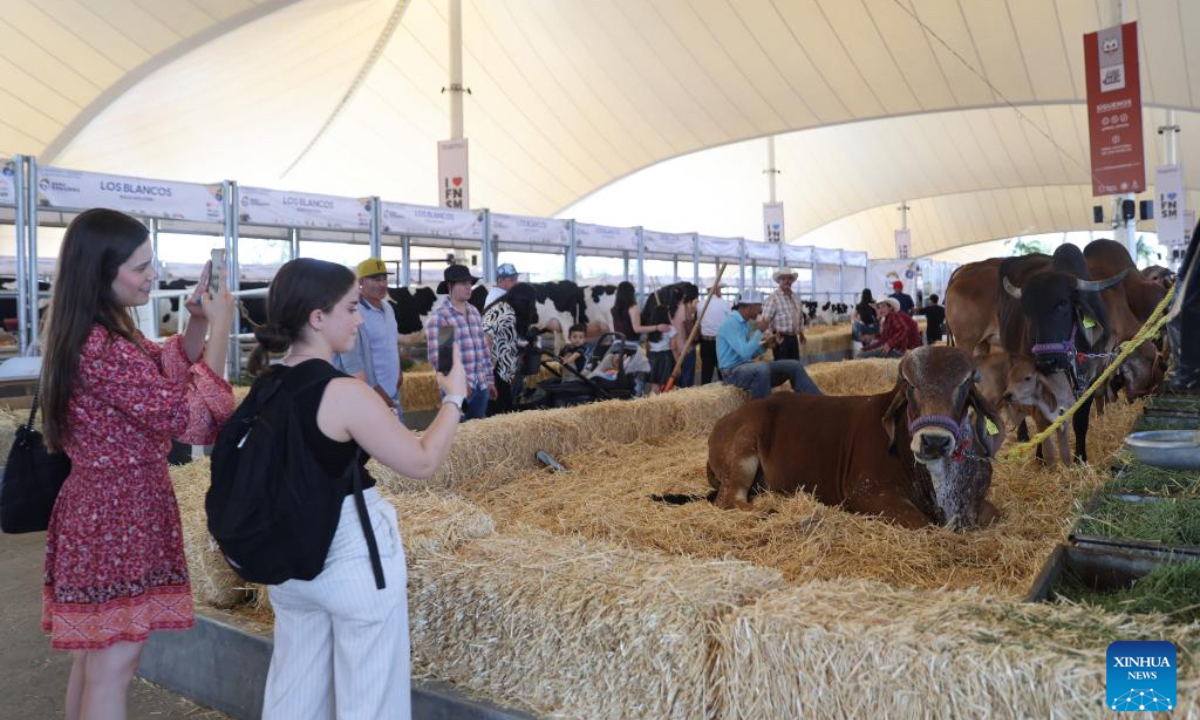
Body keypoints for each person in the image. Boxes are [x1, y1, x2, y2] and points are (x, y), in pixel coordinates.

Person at [245, 258, 468, 720]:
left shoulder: (264, 386)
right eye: (350, 308)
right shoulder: (344, 392)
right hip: (349, 558)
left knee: (296, 691)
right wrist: (453, 398)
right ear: (317, 318)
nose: (360, 318)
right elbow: (422, 461)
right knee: (369, 699)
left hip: (288, 564)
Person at [40, 208, 236, 720]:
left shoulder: (97, 332)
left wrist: (196, 320)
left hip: (103, 507)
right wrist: (221, 330)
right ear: (100, 272)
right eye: (141, 266)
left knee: (94, 662)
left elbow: (162, 369)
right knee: (114, 667)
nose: (153, 275)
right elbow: (194, 420)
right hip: (119, 513)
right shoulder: (104, 346)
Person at [334, 258, 404, 424]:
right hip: (370, 392)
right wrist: (377, 392)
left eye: (384, 279)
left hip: (391, 389)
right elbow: (353, 360)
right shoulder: (355, 313)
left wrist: (399, 371)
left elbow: (392, 343)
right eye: (375, 279)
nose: (382, 284)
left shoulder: (388, 308)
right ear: (361, 282)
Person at [717, 291, 822, 400]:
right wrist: (759, 331)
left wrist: (765, 346)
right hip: (731, 374)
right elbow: (745, 353)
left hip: (744, 367)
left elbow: (747, 355)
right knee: (762, 368)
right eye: (759, 306)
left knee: (794, 366)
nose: (761, 310)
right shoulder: (731, 323)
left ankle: (818, 401)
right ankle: (760, 410)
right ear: (749, 308)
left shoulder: (744, 323)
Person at [427, 264, 494, 420]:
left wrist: (489, 381)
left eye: (470, 283)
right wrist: (459, 384)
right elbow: (441, 360)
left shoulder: (474, 312)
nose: (469, 287)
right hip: (458, 390)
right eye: (463, 284)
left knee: (477, 433)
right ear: (450, 286)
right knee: (457, 434)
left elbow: (483, 349)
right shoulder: (442, 317)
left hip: (481, 385)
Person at [482, 282, 538, 415]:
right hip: (494, 368)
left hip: (503, 370)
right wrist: (488, 366)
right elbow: (486, 335)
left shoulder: (509, 310)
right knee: (497, 409)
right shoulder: (503, 311)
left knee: (504, 408)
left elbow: (505, 337)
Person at [761, 269, 806, 361]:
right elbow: (765, 320)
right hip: (780, 339)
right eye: (783, 279)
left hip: (793, 338)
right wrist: (771, 337)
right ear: (779, 281)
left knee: (794, 366)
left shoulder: (796, 297)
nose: (787, 281)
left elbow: (800, 317)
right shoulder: (773, 298)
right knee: (782, 369)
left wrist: (801, 334)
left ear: (792, 281)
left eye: (789, 278)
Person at [698, 284, 732, 385]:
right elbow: (730, 323)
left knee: (706, 373)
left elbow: (699, 322)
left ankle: (704, 395)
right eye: (720, 289)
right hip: (721, 342)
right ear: (715, 290)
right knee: (723, 372)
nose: (721, 292)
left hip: (705, 342)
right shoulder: (724, 303)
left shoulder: (700, 304)